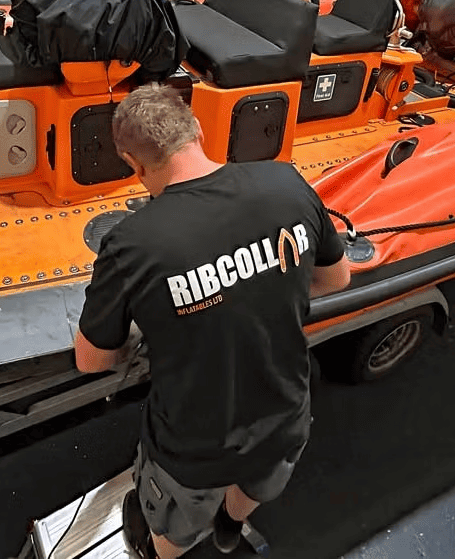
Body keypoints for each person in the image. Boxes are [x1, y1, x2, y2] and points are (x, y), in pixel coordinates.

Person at [74, 83, 350, 559]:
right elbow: (337, 278)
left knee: (173, 524)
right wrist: (261, 287)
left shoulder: (131, 246)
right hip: (284, 413)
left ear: (133, 164)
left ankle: (161, 550)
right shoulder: (286, 184)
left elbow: (92, 360)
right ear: (198, 131)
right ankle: (229, 527)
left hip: (194, 445)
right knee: (256, 483)